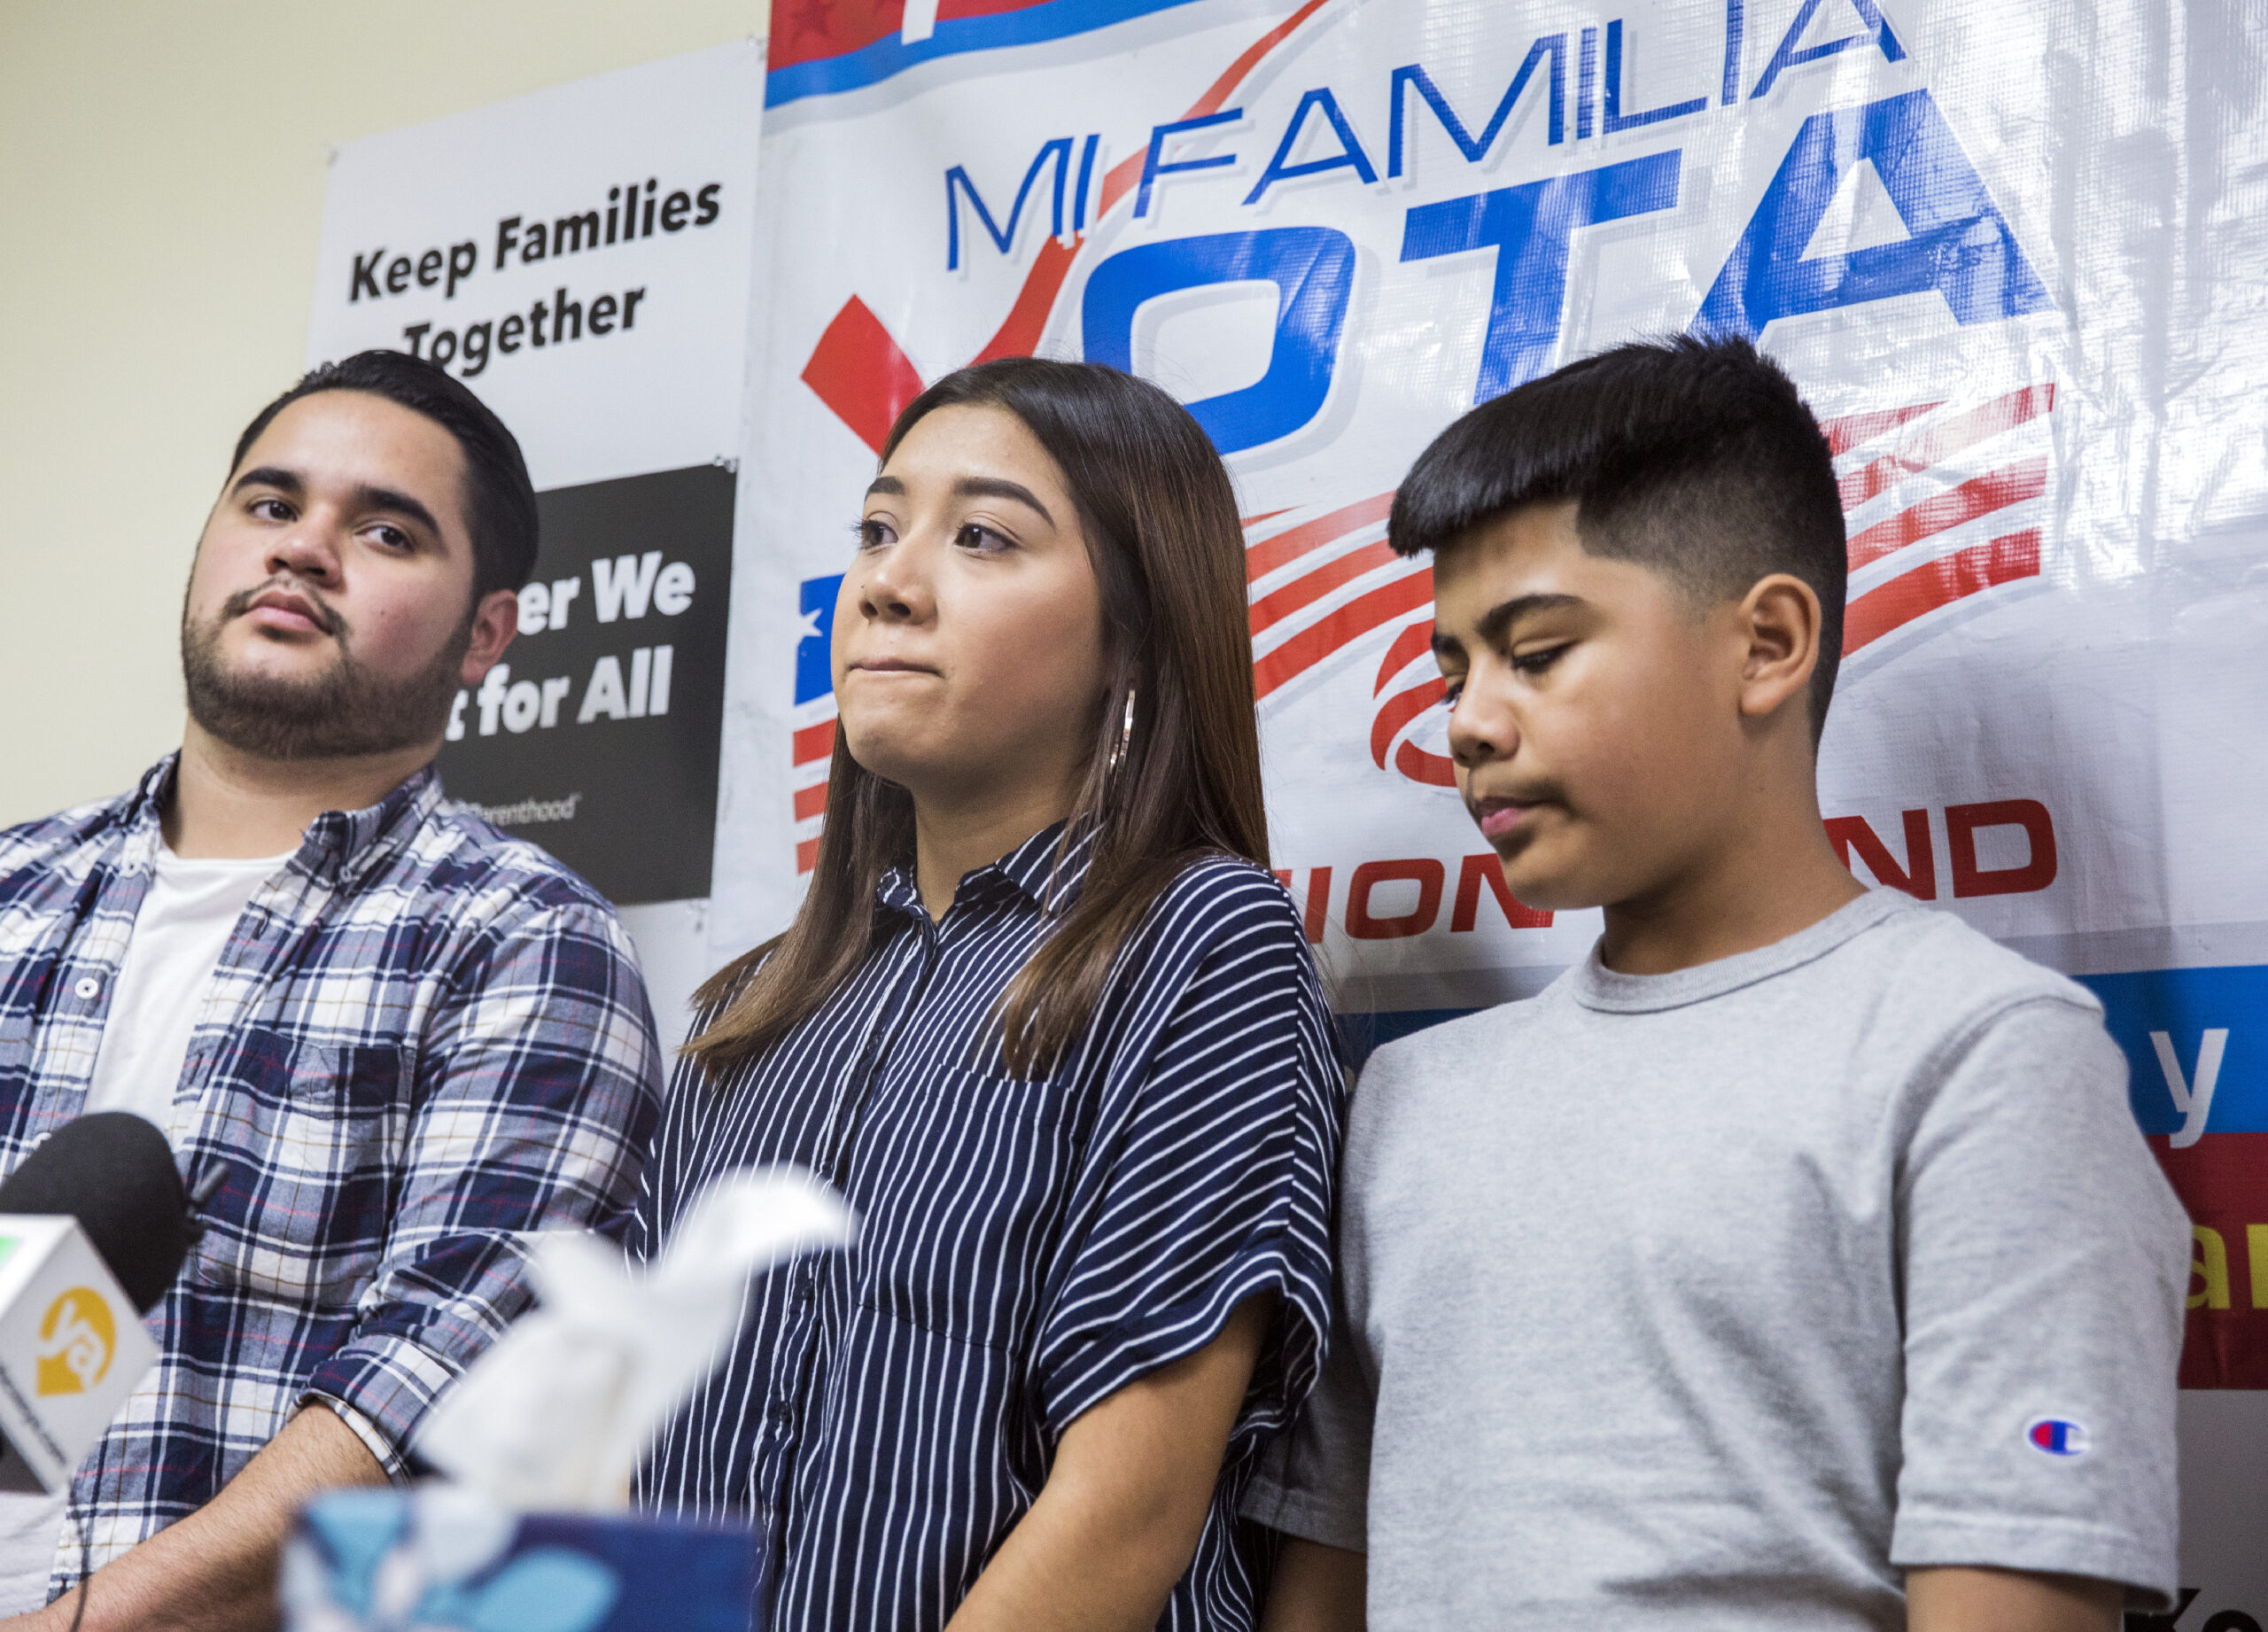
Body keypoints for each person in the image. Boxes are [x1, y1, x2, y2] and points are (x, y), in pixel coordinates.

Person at [1247, 336, 2187, 1632]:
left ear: (1768, 643)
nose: (1467, 721)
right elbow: (1331, 1582)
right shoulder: (1406, 1102)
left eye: (1537, 650)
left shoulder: (1984, 1057)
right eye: (1454, 669)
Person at [634, 357, 1342, 1631]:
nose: (888, 584)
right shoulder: (748, 1012)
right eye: (876, 527)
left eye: (979, 536)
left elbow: (1125, 1511)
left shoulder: (1200, 941)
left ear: (1135, 629)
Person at [0, 351, 665, 1630]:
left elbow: (427, 1410)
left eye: (386, 530)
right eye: (270, 504)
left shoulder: (522, 939)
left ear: (486, 635)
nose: (305, 549)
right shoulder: (17, 892)